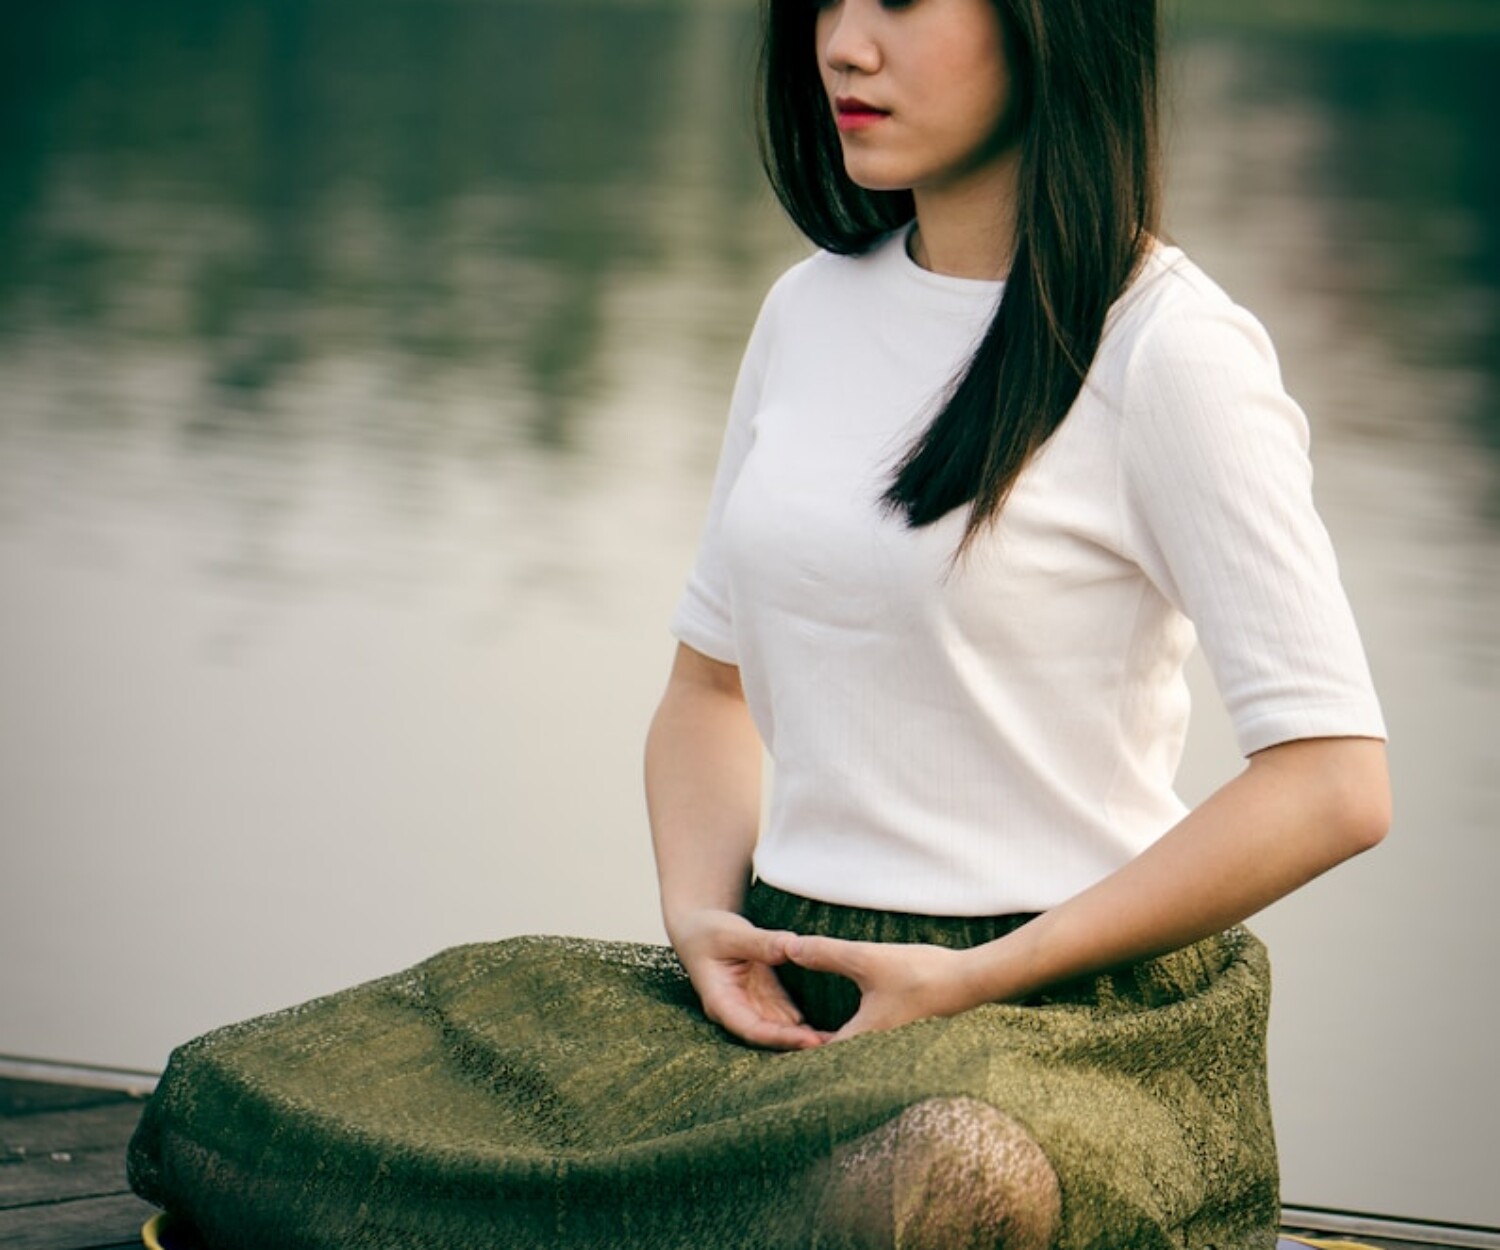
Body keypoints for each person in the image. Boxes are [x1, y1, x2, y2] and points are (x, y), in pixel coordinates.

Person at [128, 2, 1389, 1248]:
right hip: (793, 990)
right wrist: (702, 919)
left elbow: (1333, 783)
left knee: (929, 1182)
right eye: (830, 0)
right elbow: (707, 693)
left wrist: (973, 978)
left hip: (1066, 1022)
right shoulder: (809, 311)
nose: (844, 42)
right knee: (232, 1100)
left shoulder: (1171, 347)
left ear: (1051, 23)